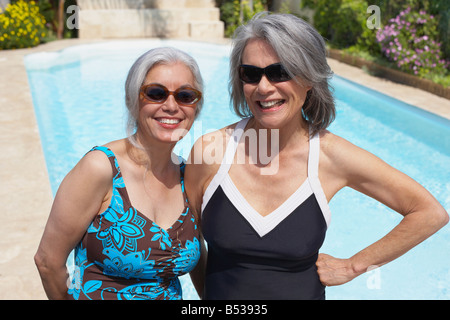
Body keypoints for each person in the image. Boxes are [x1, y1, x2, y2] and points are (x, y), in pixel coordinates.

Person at [185, 13, 448, 300]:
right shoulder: (211, 151)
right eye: (251, 74)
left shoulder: (331, 157)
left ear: (309, 78)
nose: (263, 87)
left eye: (280, 72)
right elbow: (190, 238)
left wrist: (353, 266)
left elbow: (429, 213)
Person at [35, 47, 205, 300]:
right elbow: (48, 262)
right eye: (156, 93)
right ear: (133, 100)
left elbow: (199, 259)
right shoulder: (100, 168)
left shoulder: (189, 177)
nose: (171, 106)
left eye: (185, 95)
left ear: (195, 106)